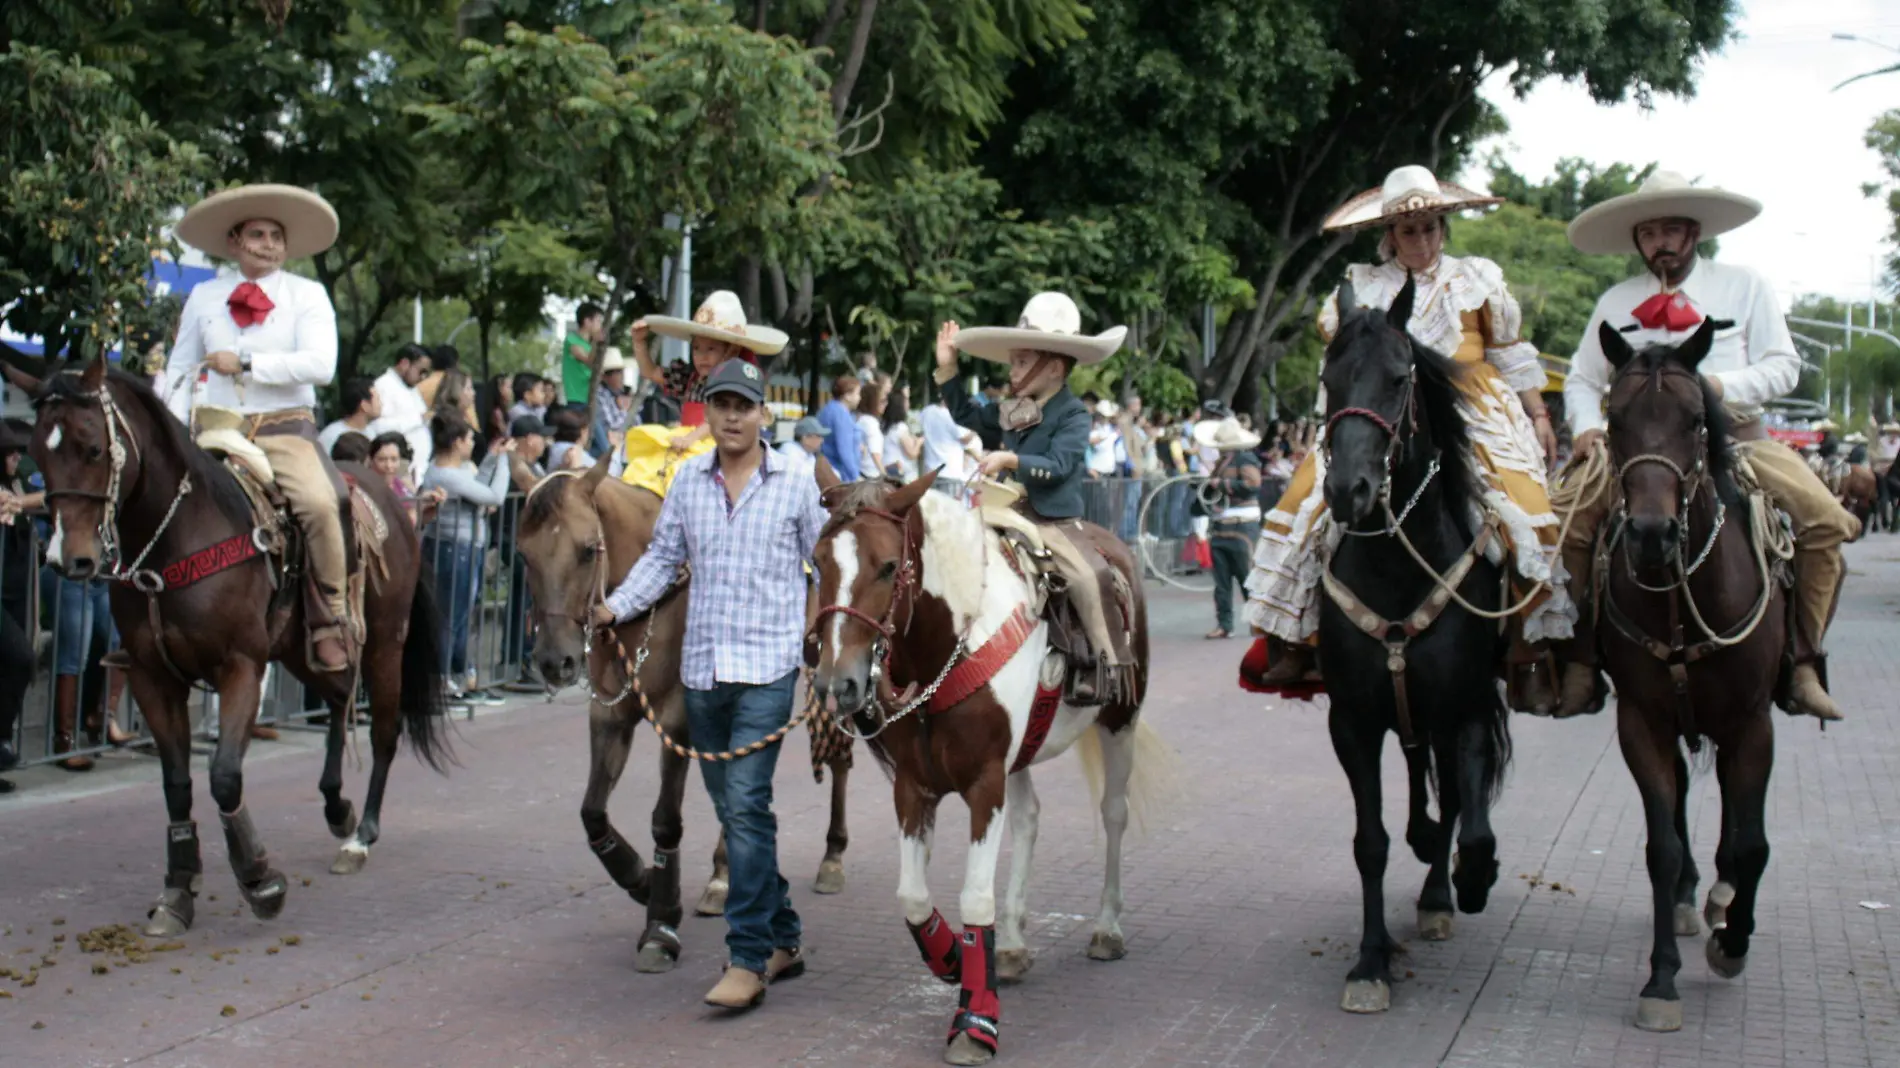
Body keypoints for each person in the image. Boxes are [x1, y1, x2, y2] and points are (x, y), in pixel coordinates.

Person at [1242, 165, 1570, 712]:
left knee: (1527, 509)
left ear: (1444, 228)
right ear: (1389, 235)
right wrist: (1332, 425)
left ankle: (1527, 652)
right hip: (1382, 409)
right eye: (1409, 230)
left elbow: (1509, 353)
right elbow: (1343, 363)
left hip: (1472, 407)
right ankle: (1300, 641)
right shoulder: (1362, 286)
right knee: (1305, 503)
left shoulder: (1478, 278)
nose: (1421, 240)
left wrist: (1537, 414)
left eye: (1430, 228)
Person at [1560, 170, 1858, 721]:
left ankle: (1804, 661)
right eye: (1649, 233)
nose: (1661, 244)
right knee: (1564, 525)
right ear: (1637, 241)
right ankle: (1577, 658)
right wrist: (1586, 427)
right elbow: (1582, 379)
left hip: (1735, 442)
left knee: (1824, 522)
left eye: (1672, 230)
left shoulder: (1744, 285)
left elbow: (1784, 366)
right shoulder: (1615, 300)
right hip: (1636, 451)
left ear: (1695, 233)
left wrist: (1719, 388)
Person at [592, 358, 819, 1010]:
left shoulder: (796, 482)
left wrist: (816, 634)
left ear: (762, 413)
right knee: (738, 814)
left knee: (745, 806)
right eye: (720, 404)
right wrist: (616, 607)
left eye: (743, 405)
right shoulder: (688, 481)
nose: (732, 416)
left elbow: (826, 562)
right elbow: (665, 559)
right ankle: (786, 937)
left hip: (768, 670)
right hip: (703, 672)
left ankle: (746, 958)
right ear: (708, 412)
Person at [161, 183, 356, 672]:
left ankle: (330, 617)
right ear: (234, 242)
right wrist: (170, 428)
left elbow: (322, 365)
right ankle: (147, 617)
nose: (268, 243)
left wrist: (247, 362)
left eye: (275, 236)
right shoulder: (204, 295)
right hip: (212, 431)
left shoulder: (307, 294)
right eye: (257, 234)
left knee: (319, 503)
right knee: (157, 498)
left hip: (284, 431)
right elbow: (180, 367)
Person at [934, 292, 1139, 703]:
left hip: (1051, 520)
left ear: (1055, 366)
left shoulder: (1075, 415)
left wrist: (1011, 457)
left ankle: (1104, 665)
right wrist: (948, 368)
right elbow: (969, 416)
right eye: (1014, 360)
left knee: (1088, 575)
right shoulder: (1016, 408)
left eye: (1023, 361)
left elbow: (1060, 465)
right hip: (1002, 511)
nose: (1012, 369)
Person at [421, 415, 513, 708]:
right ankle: (441, 680)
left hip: (463, 548)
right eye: (470, 439)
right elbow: (494, 495)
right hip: (454, 550)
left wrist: (492, 459)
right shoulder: (445, 475)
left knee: (460, 616)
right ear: (458, 442)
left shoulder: (453, 472)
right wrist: (505, 462)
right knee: (451, 617)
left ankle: (461, 678)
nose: (473, 444)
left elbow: (475, 485)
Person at [631, 290, 788, 452]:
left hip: (722, 452)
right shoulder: (692, 379)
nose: (701, 356)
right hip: (688, 449)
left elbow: (721, 417)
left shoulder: (737, 384)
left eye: (710, 349)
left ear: (731, 351)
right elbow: (650, 372)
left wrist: (691, 438)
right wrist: (639, 343)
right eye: (697, 349)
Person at [1197, 414, 1263, 639]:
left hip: (1242, 526)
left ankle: (1258, 621)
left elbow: (1252, 484)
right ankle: (1225, 624)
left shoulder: (1245, 459)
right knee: (1221, 582)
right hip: (1221, 525)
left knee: (1247, 578)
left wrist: (1222, 484)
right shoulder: (1221, 462)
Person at [367, 344, 434, 482]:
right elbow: (379, 427)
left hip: (417, 469)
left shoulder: (411, 389)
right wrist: (417, 419)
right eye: (421, 371)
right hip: (397, 469)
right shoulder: (384, 385)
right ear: (404, 364)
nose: (423, 377)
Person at [817, 375, 863, 481]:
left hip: (828, 468)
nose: (860, 398)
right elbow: (844, 450)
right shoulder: (841, 414)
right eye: (857, 393)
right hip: (840, 474)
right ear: (847, 395)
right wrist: (855, 476)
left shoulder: (829, 408)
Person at [319, 376, 380, 454]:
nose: (381, 404)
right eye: (377, 399)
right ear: (364, 405)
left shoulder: (372, 433)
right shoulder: (332, 435)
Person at [563, 301, 606, 409]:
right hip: (577, 399)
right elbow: (589, 362)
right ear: (587, 321)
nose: (600, 325)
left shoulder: (590, 346)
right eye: (598, 321)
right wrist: (596, 342)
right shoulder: (571, 340)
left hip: (591, 398)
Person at [592, 347, 631, 457]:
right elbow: (612, 428)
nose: (622, 376)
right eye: (618, 372)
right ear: (605, 376)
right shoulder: (600, 396)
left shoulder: (621, 394)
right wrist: (624, 410)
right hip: (612, 449)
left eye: (622, 372)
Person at [882, 388, 922, 481]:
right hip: (901, 474)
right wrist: (919, 442)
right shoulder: (900, 427)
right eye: (906, 401)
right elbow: (912, 453)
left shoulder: (884, 425)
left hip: (887, 469)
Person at [854, 382, 886, 479]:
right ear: (873, 401)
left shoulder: (861, 419)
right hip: (870, 475)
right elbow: (875, 453)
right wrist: (885, 476)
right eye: (882, 401)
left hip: (862, 472)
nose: (886, 404)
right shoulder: (871, 423)